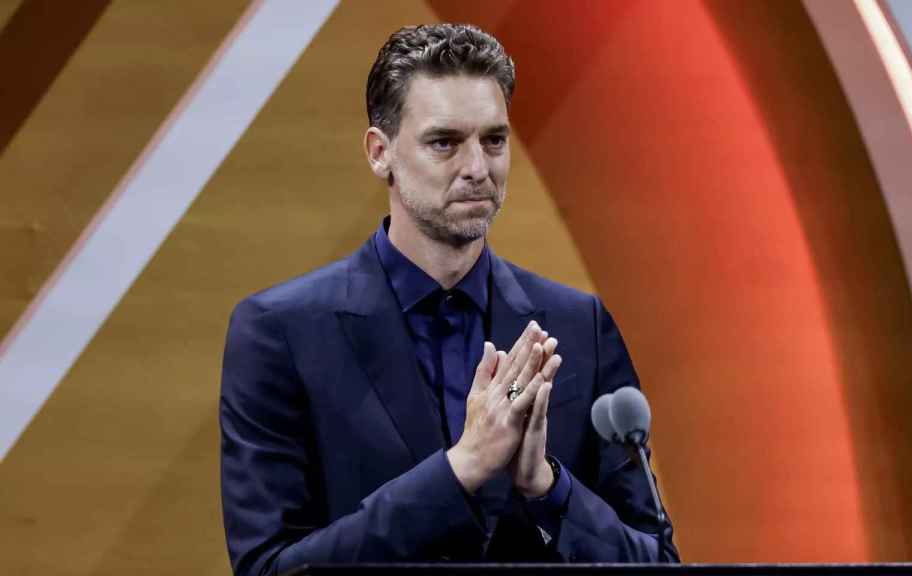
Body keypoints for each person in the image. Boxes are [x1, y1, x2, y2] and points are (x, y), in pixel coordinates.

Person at [219, 23, 679, 575]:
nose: (477, 169)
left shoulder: (579, 326)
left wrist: (547, 488)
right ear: (379, 152)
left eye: (494, 140)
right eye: (445, 142)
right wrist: (460, 470)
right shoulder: (280, 333)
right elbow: (268, 569)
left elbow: (658, 563)